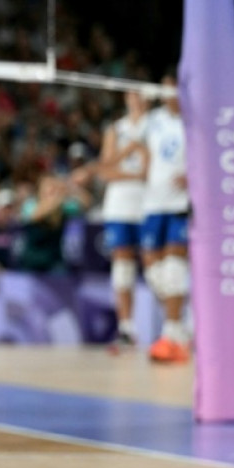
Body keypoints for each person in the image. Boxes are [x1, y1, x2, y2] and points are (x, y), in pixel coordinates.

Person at [140, 72, 191, 363]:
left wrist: (194, 175)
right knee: (154, 274)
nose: (170, 95)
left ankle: (172, 337)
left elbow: (209, 155)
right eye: (166, 90)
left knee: (173, 269)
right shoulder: (152, 121)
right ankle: (179, 326)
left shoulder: (194, 121)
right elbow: (142, 153)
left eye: (174, 90)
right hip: (152, 203)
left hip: (179, 204)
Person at [97, 90, 149, 349]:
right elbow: (105, 170)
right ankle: (126, 328)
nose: (137, 99)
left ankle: (174, 329)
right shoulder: (116, 129)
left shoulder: (157, 124)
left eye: (141, 94)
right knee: (123, 269)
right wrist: (134, 169)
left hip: (151, 205)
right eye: (132, 94)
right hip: (119, 206)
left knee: (160, 270)